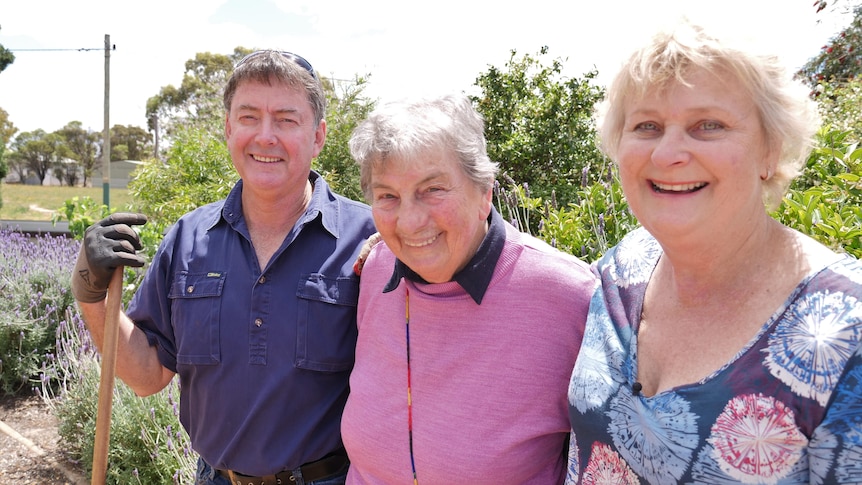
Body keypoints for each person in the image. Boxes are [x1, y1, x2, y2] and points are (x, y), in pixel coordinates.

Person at [565, 19, 862, 484]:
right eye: (647, 125)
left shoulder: (848, 333)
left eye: (709, 125)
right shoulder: (622, 271)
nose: (667, 154)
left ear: (771, 150)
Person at [70, 50, 376, 485]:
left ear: (318, 136)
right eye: (249, 117)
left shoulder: (370, 239)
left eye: (286, 119)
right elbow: (146, 375)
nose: (265, 136)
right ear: (229, 129)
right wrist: (91, 293)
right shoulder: (189, 237)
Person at [341, 94, 596, 484]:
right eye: (387, 196)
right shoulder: (376, 270)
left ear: (484, 192)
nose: (409, 223)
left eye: (433, 189)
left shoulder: (568, 295)